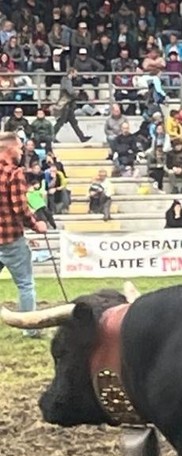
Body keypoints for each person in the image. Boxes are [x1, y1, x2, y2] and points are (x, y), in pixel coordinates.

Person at [0, 132, 48, 338]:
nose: (22, 152)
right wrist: (36, 225)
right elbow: (19, 208)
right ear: (9, 149)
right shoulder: (14, 173)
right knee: (26, 284)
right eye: (20, 148)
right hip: (10, 238)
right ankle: (31, 329)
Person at [52, 68, 91, 143]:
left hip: (69, 105)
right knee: (60, 122)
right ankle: (52, 136)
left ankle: (82, 137)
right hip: (65, 104)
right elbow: (70, 92)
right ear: (71, 72)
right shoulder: (66, 80)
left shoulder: (67, 80)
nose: (76, 75)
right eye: (75, 73)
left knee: (73, 122)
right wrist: (78, 95)